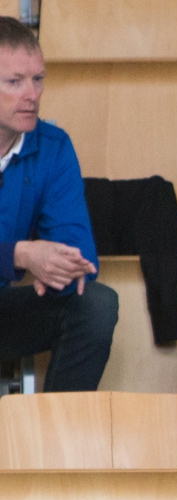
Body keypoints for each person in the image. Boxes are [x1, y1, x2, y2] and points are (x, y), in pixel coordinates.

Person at [0, 16, 117, 392]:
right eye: (15, 82)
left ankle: (56, 439)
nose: (32, 95)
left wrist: (59, 271)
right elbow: (23, 256)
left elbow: (78, 252)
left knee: (96, 305)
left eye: (38, 79)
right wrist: (22, 256)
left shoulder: (53, 146)